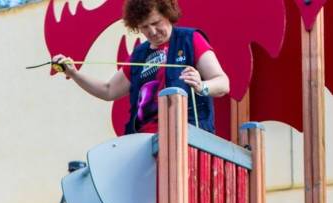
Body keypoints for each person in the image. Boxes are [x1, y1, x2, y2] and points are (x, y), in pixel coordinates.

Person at [52, 0, 230, 134]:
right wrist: (73, 73)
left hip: (186, 137)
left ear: (168, 14)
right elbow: (108, 90)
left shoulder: (190, 39)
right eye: (144, 27)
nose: (152, 31)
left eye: (156, 22)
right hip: (144, 142)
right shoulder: (139, 54)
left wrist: (202, 86)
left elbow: (223, 83)